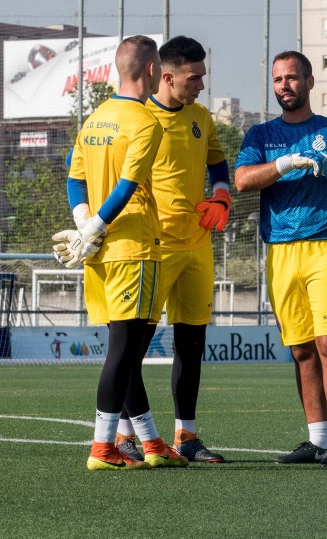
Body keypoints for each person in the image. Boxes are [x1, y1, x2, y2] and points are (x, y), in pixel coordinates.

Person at [52, 35, 188, 471]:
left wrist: (84, 227)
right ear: (151, 70)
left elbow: (74, 180)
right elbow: (128, 186)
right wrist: (93, 227)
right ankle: (102, 448)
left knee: (124, 351)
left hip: (98, 253)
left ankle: (150, 443)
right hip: (132, 247)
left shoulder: (94, 119)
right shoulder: (146, 122)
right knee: (124, 352)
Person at [234, 51, 327, 467]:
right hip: (279, 250)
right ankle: (316, 441)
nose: (284, 86)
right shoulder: (259, 135)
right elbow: (242, 180)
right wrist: (283, 163)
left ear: (310, 82)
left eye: (292, 78)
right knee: (300, 350)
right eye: (278, 79)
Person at [112, 36, 230, 464]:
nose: (200, 85)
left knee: (191, 344)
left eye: (202, 77)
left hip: (198, 245)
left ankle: (187, 436)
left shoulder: (201, 116)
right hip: (152, 247)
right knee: (132, 348)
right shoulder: (137, 118)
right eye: (193, 78)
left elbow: (217, 160)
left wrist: (221, 195)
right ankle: (125, 436)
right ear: (166, 76)